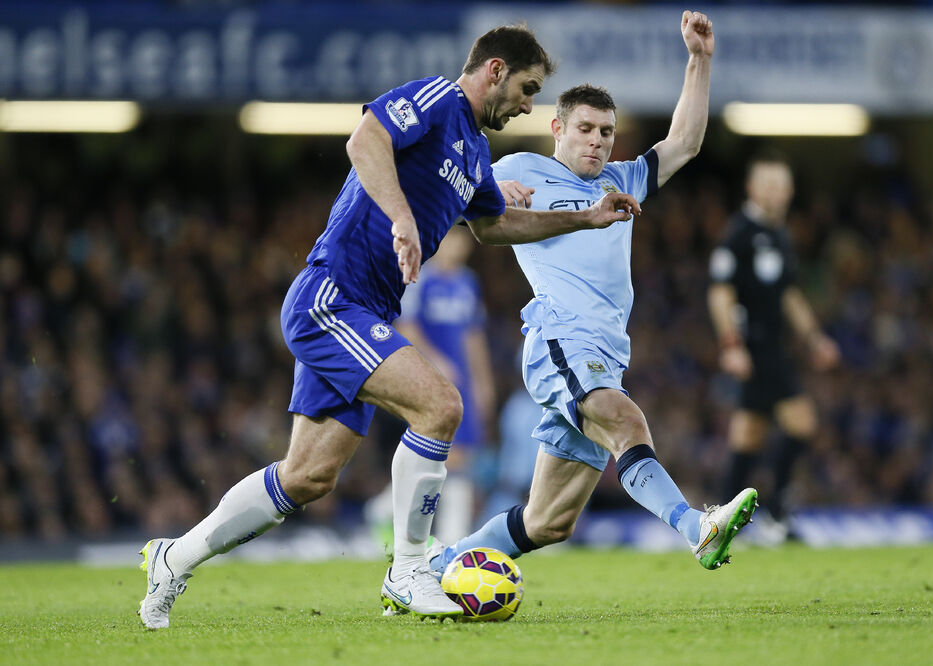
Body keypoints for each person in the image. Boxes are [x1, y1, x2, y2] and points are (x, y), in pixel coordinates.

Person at [138, 24, 643, 628]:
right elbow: (365, 140)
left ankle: (175, 557)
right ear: (495, 70)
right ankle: (408, 570)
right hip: (333, 297)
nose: (529, 104)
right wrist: (402, 218)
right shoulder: (437, 99)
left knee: (308, 476)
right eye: (528, 88)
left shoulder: (474, 152)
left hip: (363, 311)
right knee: (440, 406)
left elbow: (495, 225)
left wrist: (585, 218)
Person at [429, 11, 758, 578]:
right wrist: (473, 197)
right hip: (559, 338)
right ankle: (694, 527)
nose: (598, 142)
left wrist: (700, 61)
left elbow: (683, 142)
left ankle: (434, 569)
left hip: (605, 352)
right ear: (558, 129)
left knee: (547, 522)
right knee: (627, 423)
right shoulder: (520, 168)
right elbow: (455, 198)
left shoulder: (621, 181)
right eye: (585, 129)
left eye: (606, 132)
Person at [707, 151, 840, 543]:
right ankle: (775, 515)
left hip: (772, 348)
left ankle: (717, 523)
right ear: (751, 188)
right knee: (802, 423)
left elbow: (788, 294)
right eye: (768, 184)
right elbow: (720, 292)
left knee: (748, 436)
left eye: (782, 185)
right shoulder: (740, 233)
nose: (776, 192)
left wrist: (814, 338)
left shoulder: (780, 234)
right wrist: (731, 344)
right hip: (755, 348)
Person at [366, 226, 496, 546]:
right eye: (453, 236)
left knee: (459, 457)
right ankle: (452, 538)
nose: (459, 244)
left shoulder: (468, 282)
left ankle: (389, 511)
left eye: (465, 238)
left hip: (462, 381)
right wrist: (437, 362)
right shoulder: (421, 277)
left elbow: (473, 335)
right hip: (429, 378)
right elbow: (406, 327)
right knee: (447, 456)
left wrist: (483, 381)